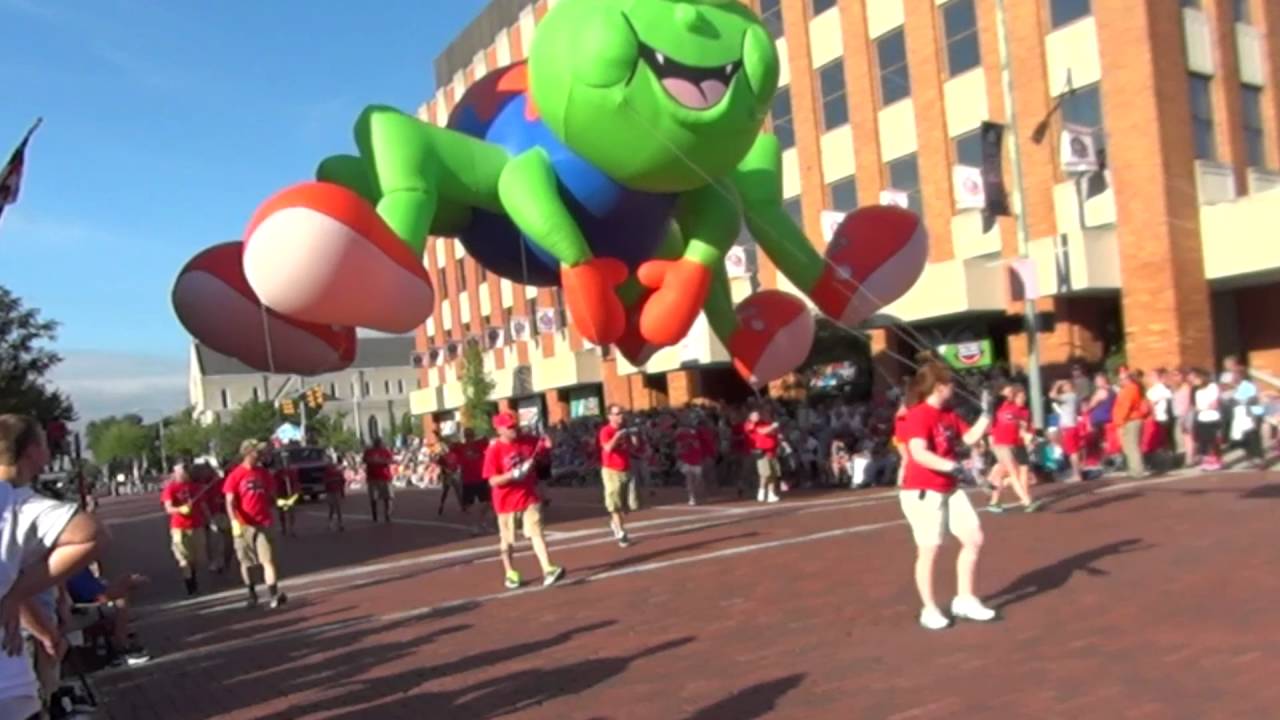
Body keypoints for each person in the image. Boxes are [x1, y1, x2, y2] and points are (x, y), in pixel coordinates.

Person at [0, 415, 109, 720]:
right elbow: (93, 534)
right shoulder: (17, 503)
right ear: (32, 451)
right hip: (8, 680)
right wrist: (16, 594)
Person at [897, 362, 996, 631]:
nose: (954, 388)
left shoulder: (948, 414)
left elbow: (970, 438)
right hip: (923, 489)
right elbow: (918, 452)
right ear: (939, 386)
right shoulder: (919, 415)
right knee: (929, 549)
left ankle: (964, 598)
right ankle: (929, 608)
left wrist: (987, 414)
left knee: (973, 538)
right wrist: (950, 466)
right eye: (950, 383)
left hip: (949, 486)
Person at [482, 412, 565, 590]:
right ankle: (510, 572)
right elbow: (492, 480)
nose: (514, 429)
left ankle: (547, 568)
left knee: (536, 532)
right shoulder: (494, 450)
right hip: (505, 502)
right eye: (509, 427)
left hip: (528, 497)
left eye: (515, 425)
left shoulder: (528, 440)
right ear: (499, 429)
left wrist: (549, 438)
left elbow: (547, 446)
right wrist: (512, 475)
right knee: (507, 540)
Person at [223, 440, 288, 609]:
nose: (259, 455)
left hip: (263, 523)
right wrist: (234, 521)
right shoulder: (235, 475)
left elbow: (271, 496)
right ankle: (251, 593)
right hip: (244, 525)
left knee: (267, 559)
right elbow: (229, 502)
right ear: (247, 453)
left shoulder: (263, 473)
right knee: (247, 562)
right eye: (256, 452)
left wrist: (279, 502)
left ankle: (274, 595)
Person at [987, 385, 1040, 513]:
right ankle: (1027, 501)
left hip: (1013, 444)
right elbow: (991, 426)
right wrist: (990, 441)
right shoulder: (997, 407)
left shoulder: (1017, 410)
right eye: (1008, 392)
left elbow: (1021, 427)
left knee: (1007, 472)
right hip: (1001, 444)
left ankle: (993, 498)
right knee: (1013, 472)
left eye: (1012, 392)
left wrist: (1029, 436)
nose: (1011, 394)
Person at [160, 461, 207, 597]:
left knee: (197, 558)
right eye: (178, 472)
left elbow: (203, 505)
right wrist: (180, 509)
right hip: (179, 527)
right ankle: (190, 586)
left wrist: (209, 520)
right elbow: (168, 508)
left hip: (196, 525)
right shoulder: (171, 488)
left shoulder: (195, 487)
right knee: (184, 558)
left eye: (183, 472)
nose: (181, 475)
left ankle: (193, 577)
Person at [598, 405, 637, 547]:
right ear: (610, 416)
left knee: (627, 506)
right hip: (610, 470)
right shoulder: (606, 430)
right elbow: (607, 448)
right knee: (614, 504)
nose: (621, 416)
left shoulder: (625, 429)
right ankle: (621, 533)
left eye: (622, 413)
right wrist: (617, 435)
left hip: (625, 469)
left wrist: (633, 434)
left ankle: (615, 523)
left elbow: (634, 446)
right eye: (617, 414)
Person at [447, 429, 493, 536]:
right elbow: (450, 447)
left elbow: (488, 440)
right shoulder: (460, 447)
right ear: (465, 436)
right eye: (467, 435)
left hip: (481, 478)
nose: (469, 437)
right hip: (468, 480)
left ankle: (480, 522)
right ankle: (476, 524)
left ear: (474, 435)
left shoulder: (479, 444)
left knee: (487, 502)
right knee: (468, 506)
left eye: (471, 435)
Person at [1111, 367, 1150, 479]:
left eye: (1122, 379)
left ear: (1127, 379)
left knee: (1132, 446)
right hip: (1129, 420)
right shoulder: (1130, 389)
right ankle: (1134, 469)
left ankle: (1137, 470)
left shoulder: (1130, 389)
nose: (1120, 381)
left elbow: (1125, 407)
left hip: (1130, 420)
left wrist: (1120, 422)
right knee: (1129, 446)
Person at [743, 409, 782, 503]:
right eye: (755, 415)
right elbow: (762, 432)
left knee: (773, 474)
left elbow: (773, 434)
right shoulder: (750, 425)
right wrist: (772, 426)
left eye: (758, 415)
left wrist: (775, 431)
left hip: (772, 451)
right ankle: (761, 492)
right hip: (761, 452)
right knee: (765, 473)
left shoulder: (765, 423)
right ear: (750, 417)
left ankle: (771, 494)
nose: (757, 417)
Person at [1050, 380, 1085, 483]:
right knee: (1074, 451)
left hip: (1069, 427)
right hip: (1072, 425)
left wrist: (1057, 384)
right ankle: (1077, 472)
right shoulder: (1074, 396)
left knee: (1072, 451)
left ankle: (1076, 474)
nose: (1064, 388)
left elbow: (1052, 395)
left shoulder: (1069, 396)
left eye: (1066, 385)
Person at [1189, 369, 1222, 471]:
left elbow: (1214, 403)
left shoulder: (1213, 387)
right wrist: (1204, 406)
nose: (1193, 381)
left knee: (1213, 441)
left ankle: (1216, 461)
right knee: (1203, 441)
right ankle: (1206, 461)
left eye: (1195, 378)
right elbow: (1198, 406)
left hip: (1212, 417)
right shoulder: (1198, 391)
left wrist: (1206, 406)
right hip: (1201, 418)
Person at [674, 419, 706, 506]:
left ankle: (694, 493)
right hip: (686, 460)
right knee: (689, 479)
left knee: (698, 480)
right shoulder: (680, 435)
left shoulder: (696, 434)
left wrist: (691, 442)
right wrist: (681, 453)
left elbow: (698, 445)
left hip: (696, 459)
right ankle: (692, 497)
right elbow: (678, 448)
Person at [363, 438, 395, 523]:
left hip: (385, 477)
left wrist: (377, 461)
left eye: (380, 442)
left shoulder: (386, 451)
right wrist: (380, 461)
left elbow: (390, 460)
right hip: (372, 478)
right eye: (377, 442)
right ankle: (375, 515)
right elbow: (366, 460)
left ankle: (387, 515)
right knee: (373, 498)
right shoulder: (368, 451)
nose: (379, 444)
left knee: (388, 497)